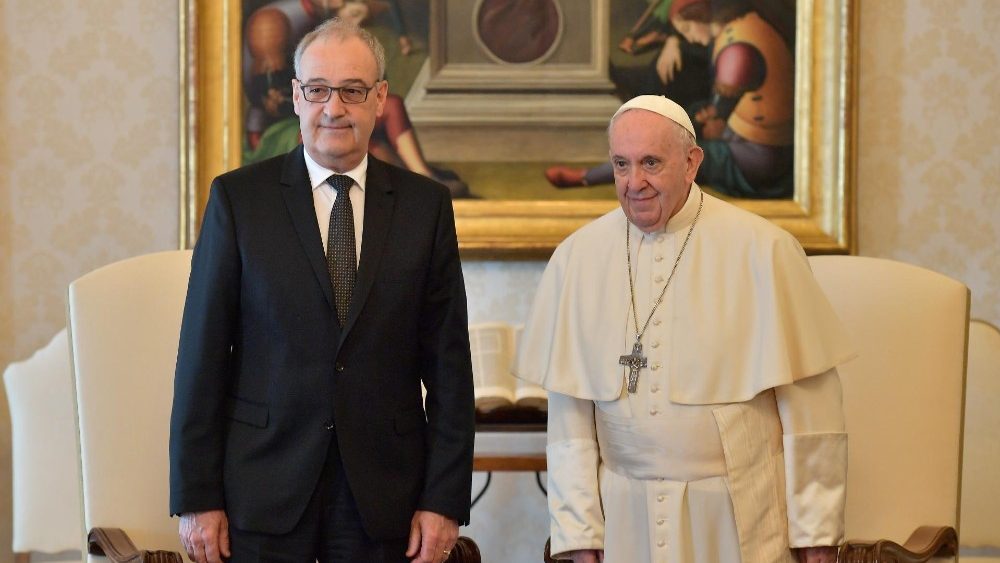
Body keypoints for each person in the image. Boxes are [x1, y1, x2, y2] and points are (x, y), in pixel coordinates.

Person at [169, 17, 475, 563]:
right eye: (317, 90)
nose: (334, 108)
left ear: (380, 98)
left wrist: (444, 500)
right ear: (296, 96)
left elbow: (450, 368)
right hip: (262, 491)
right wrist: (196, 497)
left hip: (387, 497)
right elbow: (202, 357)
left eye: (353, 91)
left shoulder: (425, 207)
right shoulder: (239, 201)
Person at [515, 95, 853, 563]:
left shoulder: (764, 250)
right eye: (621, 164)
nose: (635, 183)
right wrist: (579, 535)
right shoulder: (578, 258)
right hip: (624, 517)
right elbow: (570, 419)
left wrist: (816, 533)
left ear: (692, 162)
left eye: (651, 163)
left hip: (736, 516)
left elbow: (812, 409)